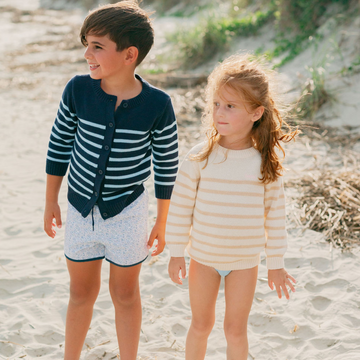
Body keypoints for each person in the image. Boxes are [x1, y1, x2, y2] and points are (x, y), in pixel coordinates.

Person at [43, 2, 178, 359]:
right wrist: (50, 201)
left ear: (130, 54)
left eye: (97, 46)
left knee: (125, 295)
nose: (87, 53)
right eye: (86, 44)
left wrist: (162, 221)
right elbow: (58, 145)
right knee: (80, 294)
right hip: (79, 210)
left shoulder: (158, 104)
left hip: (128, 214)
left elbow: (167, 165)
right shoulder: (78, 90)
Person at [166, 54, 297, 360]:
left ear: (256, 112)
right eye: (216, 104)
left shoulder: (264, 163)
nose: (219, 113)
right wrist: (175, 252)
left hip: (244, 262)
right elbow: (180, 208)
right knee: (201, 325)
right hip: (204, 258)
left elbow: (275, 217)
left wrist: (275, 263)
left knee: (235, 331)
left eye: (230, 106)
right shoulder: (199, 158)